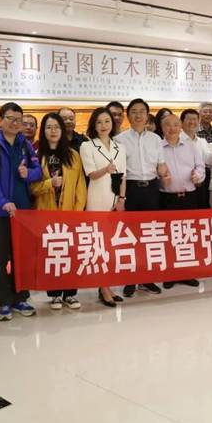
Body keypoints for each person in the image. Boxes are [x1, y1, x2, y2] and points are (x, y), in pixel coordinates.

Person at [0, 102, 42, 320]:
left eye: (18, 120)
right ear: (0, 120)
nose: (15, 123)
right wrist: (2, 201)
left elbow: (38, 171)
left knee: (21, 257)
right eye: (10, 119)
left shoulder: (25, 145)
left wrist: (28, 174)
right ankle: (4, 301)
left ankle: (20, 298)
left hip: (23, 211)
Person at [31, 113, 87, 310]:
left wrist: (77, 213)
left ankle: (70, 294)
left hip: (69, 214)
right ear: (43, 131)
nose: (53, 131)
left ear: (62, 130)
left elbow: (80, 186)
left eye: (56, 127)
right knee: (52, 254)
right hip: (46, 214)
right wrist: (49, 183)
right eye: (49, 127)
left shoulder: (73, 155)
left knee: (71, 253)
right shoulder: (36, 155)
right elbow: (32, 188)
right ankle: (54, 294)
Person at [114, 98, 166, 297]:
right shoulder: (119, 140)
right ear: (128, 116)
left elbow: (161, 166)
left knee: (149, 235)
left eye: (142, 111)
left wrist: (166, 174)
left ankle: (147, 279)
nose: (138, 115)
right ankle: (130, 280)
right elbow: (119, 172)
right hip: (131, 190)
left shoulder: (155, 139)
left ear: (147, 115)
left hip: (152, 189)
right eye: (134, 111)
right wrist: (121, 197)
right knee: (130, 237)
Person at [80, 107, 127, 306]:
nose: (103, 125)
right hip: (97, 198)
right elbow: (91, 174)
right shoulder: (87, 146)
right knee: (100, 246)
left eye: (107, 121)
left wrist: (122, 199)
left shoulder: (120, 147)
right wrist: (106, 169)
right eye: (99, 122)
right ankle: (103, 287)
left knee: (112, 246)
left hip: (115, 200)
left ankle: (107, 285)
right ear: (94, 125)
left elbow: (123, 176)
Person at [158, 113, 204, 289]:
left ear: (180, 127)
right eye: (168, 125)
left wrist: (197, 175)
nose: (172, 128)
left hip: (189, 197)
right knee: (169, 237)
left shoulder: (191, 146)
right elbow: (152, 170)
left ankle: (187, 272)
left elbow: (200, 167)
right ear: (162, 128)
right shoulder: (157, 147)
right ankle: (170, 274)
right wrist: (161, 179)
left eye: (175, 125)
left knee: (187, 236)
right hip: (167, 198)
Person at [180, 108, 212, 208]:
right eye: (189, 119)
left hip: (200, 185)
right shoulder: (176, 140)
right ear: (181, 122)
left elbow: (208, 160)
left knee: (201, 213)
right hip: (183, 187)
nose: (192, 122)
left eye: (195, 119)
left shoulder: (202, 141)